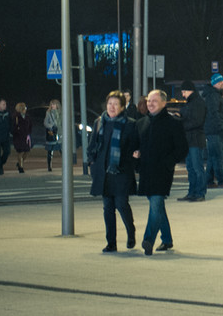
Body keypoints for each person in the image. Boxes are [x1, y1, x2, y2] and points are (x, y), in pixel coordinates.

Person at [135, 89, 188, 254]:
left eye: (154, 101)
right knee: (157, 206)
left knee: (156, 203)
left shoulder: (173, 123)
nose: (150, 104)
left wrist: (168, 162)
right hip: (146, 170)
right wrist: (137, 156)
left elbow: (182, 148)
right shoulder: (143, 123)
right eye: (149, 101)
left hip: (162, 171)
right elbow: (137, 145)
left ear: (164, 103)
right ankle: (167, 239)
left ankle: (148, 240)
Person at [88, 90, 140, 252]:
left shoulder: (130, 124)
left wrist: (135, 155)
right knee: (107, 207)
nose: (112, 107)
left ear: (122, 107)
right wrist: (92, 162)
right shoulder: (100, 122)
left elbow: (136, 145)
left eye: (116, 104)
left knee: (121, 204)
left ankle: (131, 232)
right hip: (103, 171)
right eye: (110, 103)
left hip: (121, 170)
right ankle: (111, 242)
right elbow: (93, 145)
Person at [177, 80, 207, 202]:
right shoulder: (190, 103)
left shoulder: (198, 103)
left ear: (190, 90)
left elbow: (197, 121)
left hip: (195, 139)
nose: (183, 94)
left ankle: (200, 192)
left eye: (184, 91)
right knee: (190, 167)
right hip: (189, 140)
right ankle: (192, 192)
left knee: (197, 167)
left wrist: (181, 122)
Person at [203, 74, 223, 189]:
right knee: (218, 156)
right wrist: (220, 126)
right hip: (215, 130)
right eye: (220, 81)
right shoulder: (213, 95)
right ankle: (222, 180)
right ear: (214, 83)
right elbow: (214, 112)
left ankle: (209, 180)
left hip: (213, 129)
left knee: (213, 156)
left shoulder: (213, 95)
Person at [11, 102, 33, 173]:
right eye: (24, 108)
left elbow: (30, 125)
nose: (25, 109)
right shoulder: (16, 117)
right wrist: (16, 132)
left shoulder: (27, 117)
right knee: (20, 152)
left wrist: (29, 133)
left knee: (26, 151)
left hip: (26, 137)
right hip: (18, 137)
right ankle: (21, 167)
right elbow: (13, 127)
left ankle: (20, 163)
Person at [44, 99, 62, 172]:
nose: (52, 106)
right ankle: (49, 166)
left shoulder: (61, 113)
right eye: (51, 104)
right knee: (50, 150)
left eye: (54, 104)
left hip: (60, 133)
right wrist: (51, 126)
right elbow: (45, 123)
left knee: (61, 149)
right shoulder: (48, 113)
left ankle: (65, 164)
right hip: (52, 133)